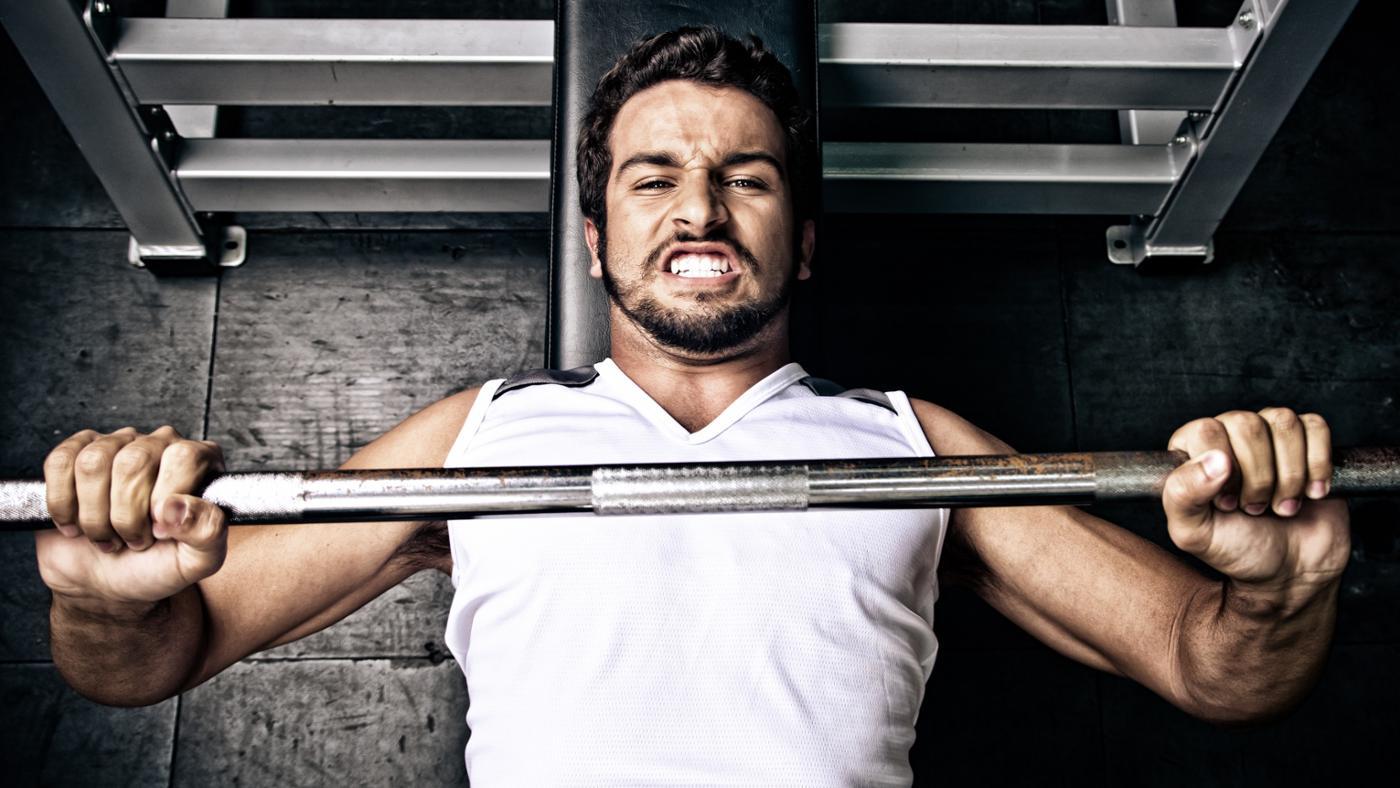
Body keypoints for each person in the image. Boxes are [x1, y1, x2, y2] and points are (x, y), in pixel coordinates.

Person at [35, 26, 1349, 785]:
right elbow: (156, 661)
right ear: (599, 241)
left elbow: (1210, 669)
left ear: (805, 241)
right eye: (654, 177)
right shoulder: (476, 439)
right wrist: (106, 597)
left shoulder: (917, 446)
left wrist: (1278, 593)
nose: (701, 209)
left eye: (749, 179)